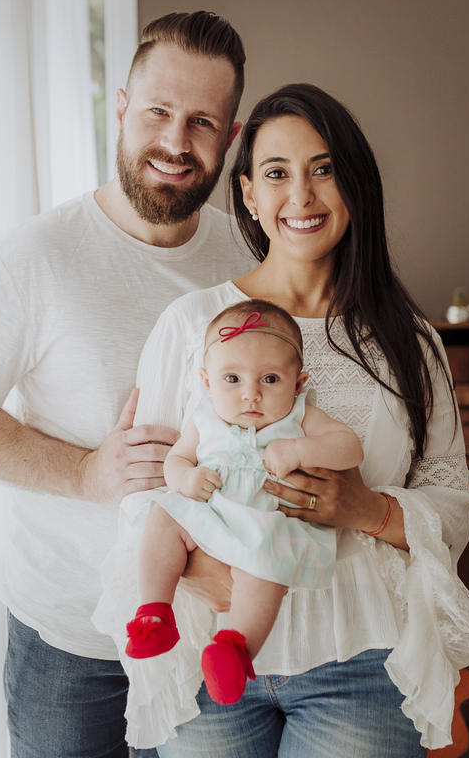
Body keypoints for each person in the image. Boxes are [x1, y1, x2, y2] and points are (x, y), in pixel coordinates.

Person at [93, 84, 469, 756]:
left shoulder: (409, 343)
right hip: (209, 661)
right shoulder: (193, 324)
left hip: (362, 662)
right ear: (248, 194)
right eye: (277, 173)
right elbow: (146, 490)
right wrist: (199, 573)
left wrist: (364, 509)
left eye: (324, 170)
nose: (301, 196)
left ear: (356, 187)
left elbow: (450, 508)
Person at [0, 11, 257, 758]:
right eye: (159, 111)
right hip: (68, 643)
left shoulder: (251, 260)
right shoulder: (34, 257)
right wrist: (82, 472)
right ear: (121, 109)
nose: (175, 141)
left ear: (231, 139)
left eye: (202, 121)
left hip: (208, 636)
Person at [125, 300, 364, 709]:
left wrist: (300, 450)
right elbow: (176, 460)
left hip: (268, 521)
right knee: (163, 516)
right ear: (206, 381)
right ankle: (154, 613)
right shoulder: (202, 418)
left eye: (270, 379)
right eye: (232, 378)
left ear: (299, 383)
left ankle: (235, 648)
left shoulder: (301, 416)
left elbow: (350, 449)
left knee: (265, 563)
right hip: (210, 514)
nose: (250, 394)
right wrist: (185, 477)